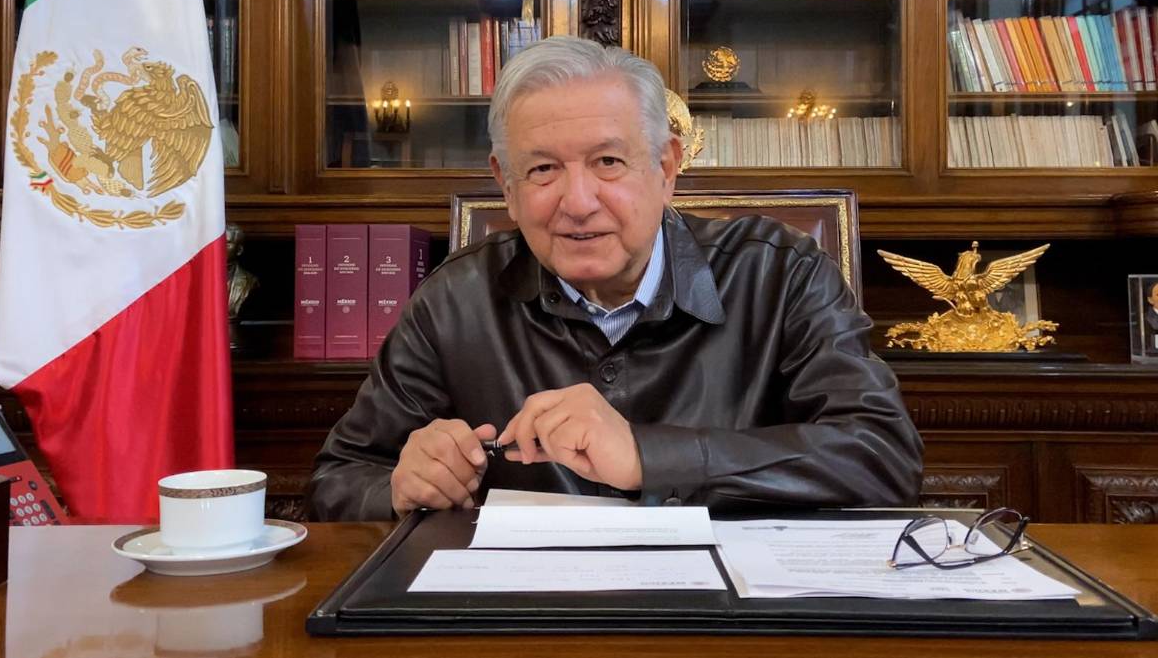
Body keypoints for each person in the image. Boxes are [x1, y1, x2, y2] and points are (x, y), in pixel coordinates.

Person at [307, 36, 923, 520]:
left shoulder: (779, 274)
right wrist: (400, 486)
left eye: (608, 161)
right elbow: (338, 479)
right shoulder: (454, 300)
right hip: (531, 619)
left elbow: (882, 457)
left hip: (724, 618)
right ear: (506, 187)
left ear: (666, 167)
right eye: (543, 170)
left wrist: (647, 455)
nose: (578, 203)